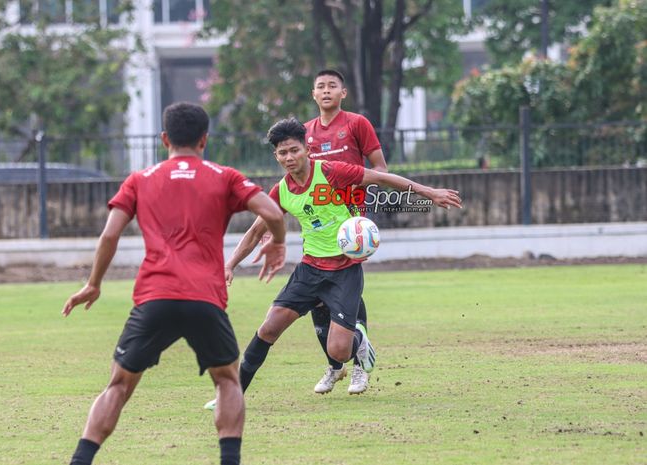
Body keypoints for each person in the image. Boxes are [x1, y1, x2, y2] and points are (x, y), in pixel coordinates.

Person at [61, 102, 287, 465]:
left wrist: (94, 283)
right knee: (228, 381)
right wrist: (277, 241)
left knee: (118, 386)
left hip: (155, 297)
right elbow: (273, 213)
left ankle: (80, 461)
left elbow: (109, 236)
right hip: (204, 298)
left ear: (164, 138)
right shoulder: (225, 175)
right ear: (204, 139)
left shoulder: (139, 179)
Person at [204, 117, 461, 410]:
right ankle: (230, 396)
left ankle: (359, 341)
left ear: (307, 149)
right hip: (309, 270)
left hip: (344, 272)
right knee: (268, 329)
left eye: (294, 150)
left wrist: (429, 192)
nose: (289, 157)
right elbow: (254, 232)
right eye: (282, 153)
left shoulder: (331, 172)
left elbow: (382, 178)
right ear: (276, 156)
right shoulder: (282, 191)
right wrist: (229, 265)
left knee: (338, 351)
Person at [304, 69, 388, 395]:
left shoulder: (356, 124)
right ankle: (334, 364)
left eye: (332, 86)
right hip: (317, 223)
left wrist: (359, 184)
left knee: (346, 287)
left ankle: (356, 367)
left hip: (350, 222)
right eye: (320, 86)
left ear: (343, 92)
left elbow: (380, 168)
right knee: (316, 291)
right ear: (314, 94)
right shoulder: (304, 133)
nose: (326, 91)